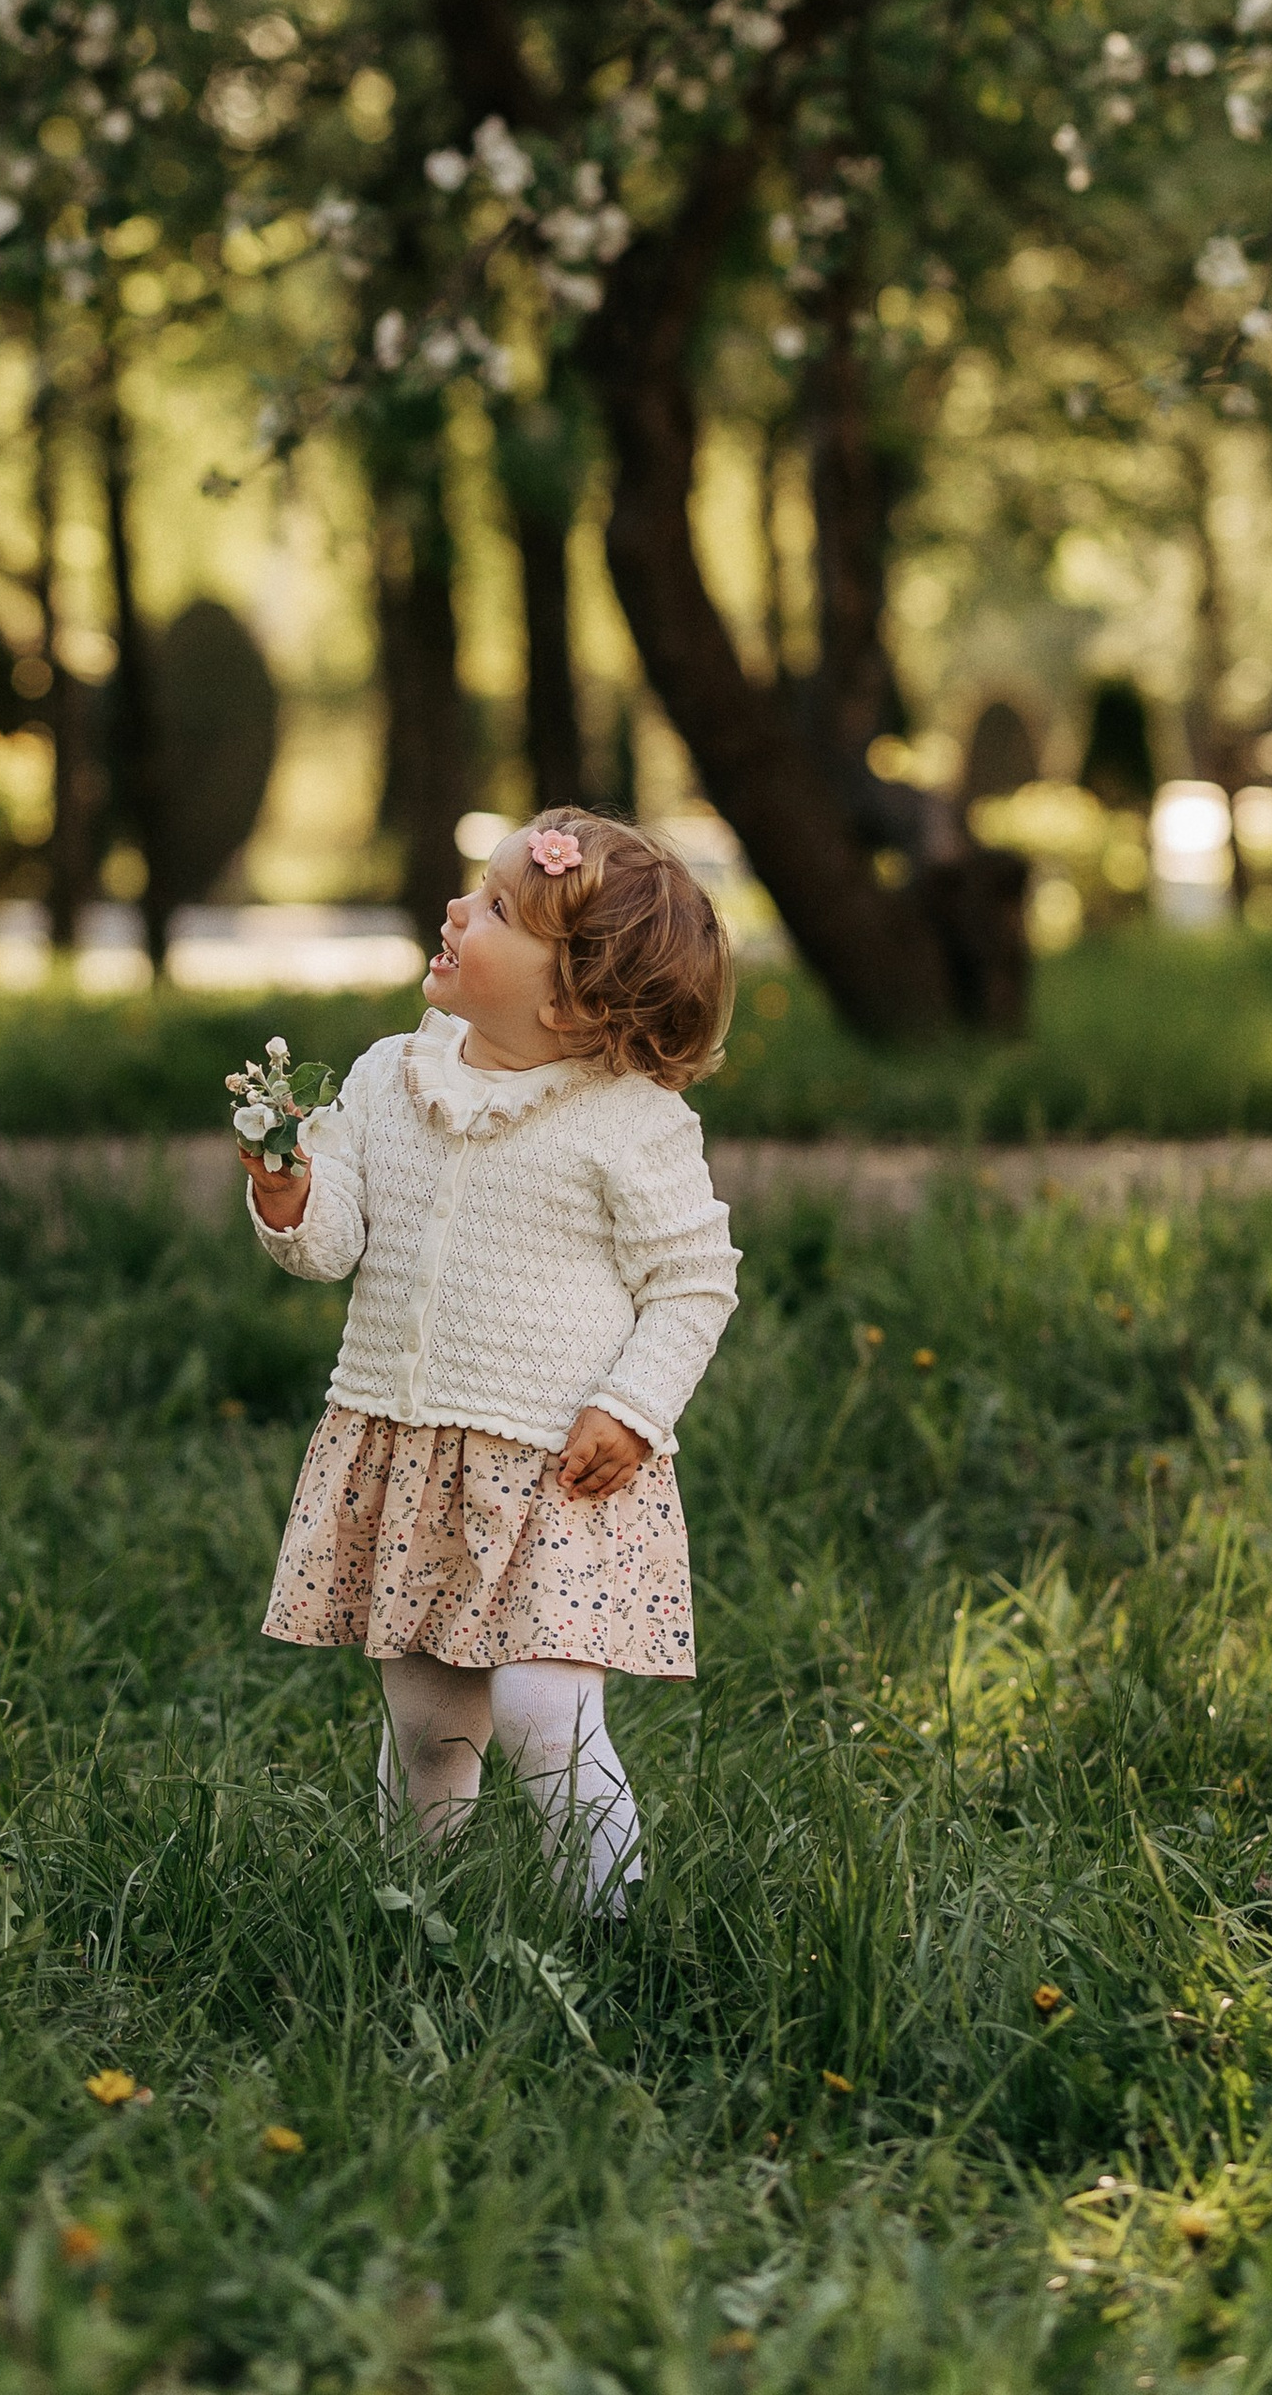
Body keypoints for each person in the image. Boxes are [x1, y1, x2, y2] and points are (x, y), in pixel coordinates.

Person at [243, 809, 738, 1912]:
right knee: (427, 1721)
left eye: (500, 907)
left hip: (562, 1463)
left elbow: (692, 1280)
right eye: (478, 888)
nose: (460, 909)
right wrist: (288, 1193)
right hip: (412, 1443)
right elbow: (330, 1250)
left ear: (569, 998)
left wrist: (633, 1404)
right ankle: (411, 1905)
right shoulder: (385, 1078)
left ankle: (611, 1928)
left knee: (541, 1711)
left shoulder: (628, 1119)